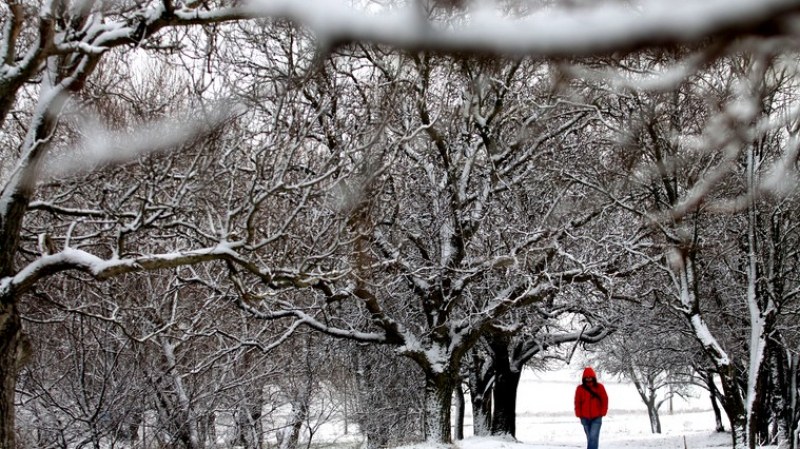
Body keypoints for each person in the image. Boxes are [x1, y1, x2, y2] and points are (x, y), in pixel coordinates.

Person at [574, 367, 608, 449]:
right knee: (590, 438)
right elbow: (577, 402)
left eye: (590, 377)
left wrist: (603, 412)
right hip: (584, 417)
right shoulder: (580, 389)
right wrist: (579, 414)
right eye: (587, 377)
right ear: (584, 378)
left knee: (593, 438)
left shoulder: (600, 387)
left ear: (593, 377)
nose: (588, 379)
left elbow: (605, 399)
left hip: (597, 417)